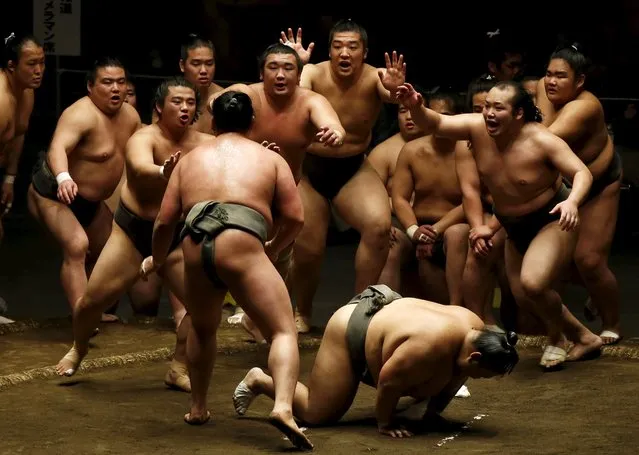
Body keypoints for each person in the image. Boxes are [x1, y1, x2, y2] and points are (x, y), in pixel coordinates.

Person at [139, 91, 312, 450]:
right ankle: (283, 407)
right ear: (253, 123)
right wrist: (274, 248)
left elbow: (164, 222)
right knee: (282, 330)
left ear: (213, 123)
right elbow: (295, 217)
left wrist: (157, 259)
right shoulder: (270, 159)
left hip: (194, 245)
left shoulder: (189, 160)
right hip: (242, 242)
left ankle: (198, 408)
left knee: (203, 327)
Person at [396, 80, 602, 369]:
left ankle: (564, 337)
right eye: (487, 106)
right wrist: (416, 106)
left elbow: (582, 173)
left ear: (518, 114)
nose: (489, 113)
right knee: (523, 293)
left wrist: (573, 202)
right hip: (509, 222)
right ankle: (583, 337)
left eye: (498, 108)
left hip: (551, 217)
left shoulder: (541, 140)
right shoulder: (476, 129)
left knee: (533, 283)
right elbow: (435, 123)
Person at [54, 77, 211, 392]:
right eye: (176, 102)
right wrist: (162, 171)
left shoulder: (205, 143)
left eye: (190, 102)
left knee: (202, 307)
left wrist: (256, 152)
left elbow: (230, 158)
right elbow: (139, 167)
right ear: (158, 107)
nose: (184, 108)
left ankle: (178, 366)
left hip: (177, 234)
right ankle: (79, 347)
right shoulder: (144, 137)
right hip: (133, 232)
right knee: (89, 304)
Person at [232, 285, 519, 438]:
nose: (481, 380)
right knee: (318, 414)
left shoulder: (475, 331)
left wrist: (432, 415)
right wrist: (385, 423)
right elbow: (387, 382)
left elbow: (458, 375)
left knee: (441, 378)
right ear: (476, 356)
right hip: (352, 329)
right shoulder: (429, 346)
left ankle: (421, 403)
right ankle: (260, 380)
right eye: (484, 374)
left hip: (386, 312)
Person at [206, 42, 345, 337]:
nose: (280, 75)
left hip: (286, 191)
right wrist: (221, 103)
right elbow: (219, 101)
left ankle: (262, 316)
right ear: (261, 73)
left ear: (299, 75)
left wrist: (334, 132)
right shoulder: (249, 94)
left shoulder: (310, 101)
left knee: (282, 258)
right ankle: (238, 313)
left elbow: (333, 124)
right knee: (243, 259)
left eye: (288, 68)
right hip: (243, 193)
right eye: (273, 67)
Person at [281, 21, 404, 331]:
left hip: (352, 167)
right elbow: (295, 95)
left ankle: (356, 310)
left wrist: (393, 87)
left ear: (364, 51)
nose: (344, 53)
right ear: (329, 50)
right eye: (338, 46)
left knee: (378, 226)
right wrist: (295, 67)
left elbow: (388, 94)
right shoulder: (312, 73)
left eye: (352, 47)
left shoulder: (375, 76)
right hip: (310, 168)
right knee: (308, 250)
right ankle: (303, 311)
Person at [27, 57, 140, 322]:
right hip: (54, 193)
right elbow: (58, 147)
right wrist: (64, 177)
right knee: (78, 246)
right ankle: (83, 319)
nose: (115, 89)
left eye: (121, 82)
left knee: (111, 251)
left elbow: (144, 146)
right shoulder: (80, 114)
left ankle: (92, 309)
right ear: (90, 86)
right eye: (107, 82)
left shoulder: (131, 116)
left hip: (90, 203)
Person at [536, 44, 622, 345]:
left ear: (580, 81)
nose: (551, 82)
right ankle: (593, 292)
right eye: (548, 74)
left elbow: (543, 140)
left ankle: (611, 322)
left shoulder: (585, 106)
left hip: (599, 182)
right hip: (562, 183)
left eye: (561, 76)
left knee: (589, 260)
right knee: (561, 261)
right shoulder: (540, 90)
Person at [389, 91, 469, 303]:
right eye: (431, 114)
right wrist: (414, 230)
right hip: (416, 224)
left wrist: (435, 231)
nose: (437, 120)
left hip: (453, 225)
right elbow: (399, 197)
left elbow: (471, 199)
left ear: (459, 116)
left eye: (444, 115)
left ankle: (456, 308)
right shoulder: (412, 150)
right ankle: (382, 313)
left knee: (457, 234)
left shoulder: (471, 151)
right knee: (389, 240)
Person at [368, 94, 426, 291]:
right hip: (396, 223)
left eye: (413, 110)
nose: (409, 116)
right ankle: (383, 311)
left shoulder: (445, 145)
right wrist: (383, 221)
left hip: (438, 220)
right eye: (403, 111)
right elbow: (368, 197)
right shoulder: (382, 152)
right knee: (388, 246)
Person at [0, 32, 45, 242]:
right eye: (31, 64)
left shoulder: (27, 91)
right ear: (12, 65)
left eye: (42, 63)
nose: (39, 71)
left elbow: (18, 134)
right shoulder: (2, 102)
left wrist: (9, 178)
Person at [179, 34, 224, 134]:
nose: (203, 70)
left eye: (209, 64)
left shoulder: (224, 98)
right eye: (196, 64)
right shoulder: (168, 100)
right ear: (182, 65)